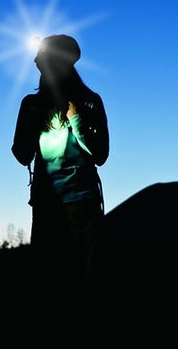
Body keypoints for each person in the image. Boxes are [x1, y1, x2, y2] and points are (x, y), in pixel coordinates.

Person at [11, 34, 109, 283]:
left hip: (82, 204)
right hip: (46, 203)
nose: (35, 61)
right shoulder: (31, 104)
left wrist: (76, 119)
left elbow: (100, 154)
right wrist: (29, 129)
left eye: (41, 57)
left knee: (86, 275)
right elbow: (22, 154)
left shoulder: (89, 102)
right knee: (49, 276)